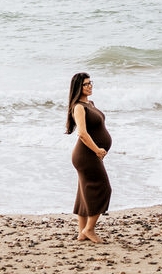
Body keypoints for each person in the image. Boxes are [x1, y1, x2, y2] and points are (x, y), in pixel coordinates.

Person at [65, 71, 111, 242]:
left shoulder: (90, 104)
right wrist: (97, 151)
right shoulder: (79, 107)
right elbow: (82, 133)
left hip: (88, 154)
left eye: (91, 82)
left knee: (84, 192)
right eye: (86, 84)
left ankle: (81, 233)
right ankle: (89, 229)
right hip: (86, 155)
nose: (90, 86)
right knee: (104, 188)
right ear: (78, 87)